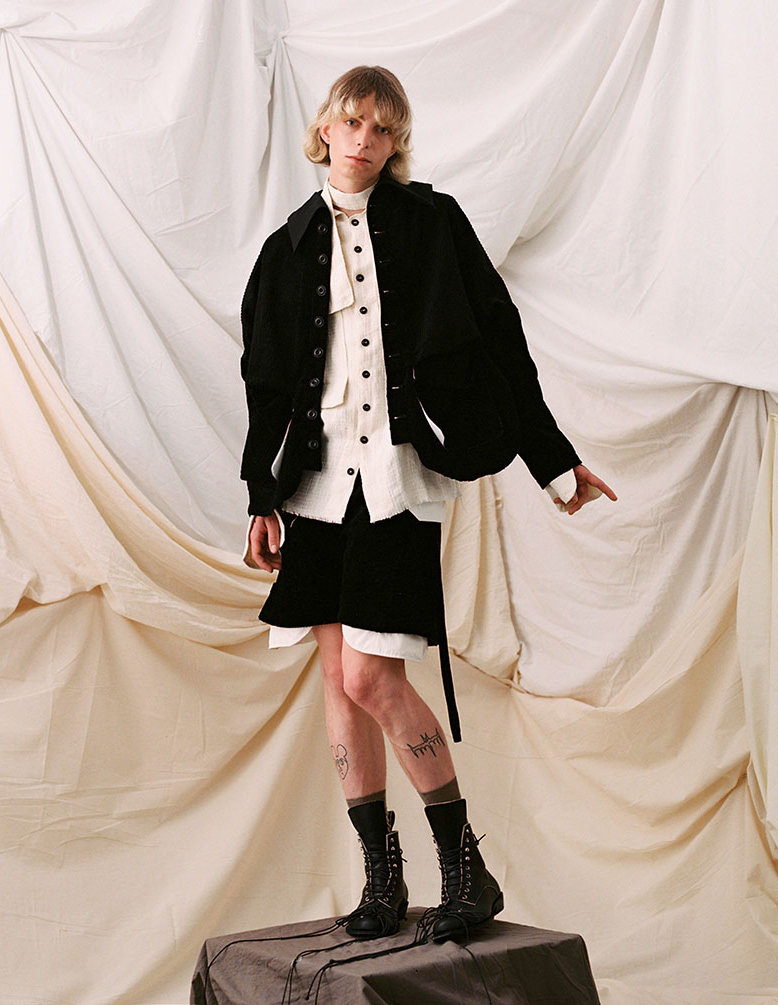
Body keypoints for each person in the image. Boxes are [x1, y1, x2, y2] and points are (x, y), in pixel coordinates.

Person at [240, 65, 616, 943]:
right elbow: (264, 385)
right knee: (338, 680)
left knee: (373, 676)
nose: (364, 140)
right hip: (313, 487)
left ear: (397, 141)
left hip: (397, 478)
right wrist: (261, 494)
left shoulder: (433, 224)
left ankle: (464, 867)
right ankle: (382, 880)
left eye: (383, 128)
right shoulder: (287, 248)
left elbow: (500, 339)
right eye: (351, 122)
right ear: (325, 128)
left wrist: (552, 459)